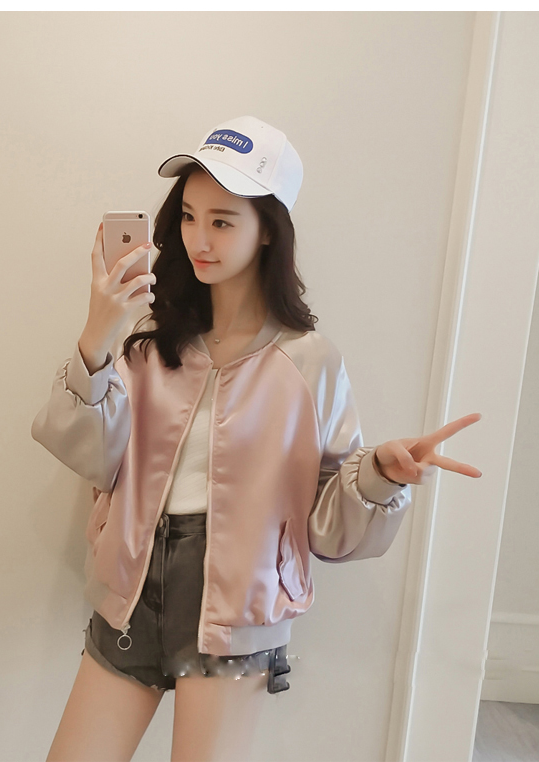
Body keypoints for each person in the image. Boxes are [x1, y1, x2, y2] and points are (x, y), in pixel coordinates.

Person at [31, 115, 482, 762]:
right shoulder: (151, 345)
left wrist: (379, 474)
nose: (198, 239)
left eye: (222, 221)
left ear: (267, 228)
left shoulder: (309, 361)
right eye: (189, 217)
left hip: (236, 611)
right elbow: (94, 459)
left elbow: (324, 526)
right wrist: (96, 337)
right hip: (130, 592)